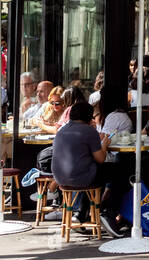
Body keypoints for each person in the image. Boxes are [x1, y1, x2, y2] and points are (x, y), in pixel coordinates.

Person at [51, 101, 121, 236]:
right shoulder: (89, 131)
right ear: (88, 117)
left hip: (61, 178)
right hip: (81, 177)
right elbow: (100, 158)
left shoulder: (62, 130)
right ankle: (108, 212)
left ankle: (81, 214)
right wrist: (105, 144)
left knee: (90, 173)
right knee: (118, 171)